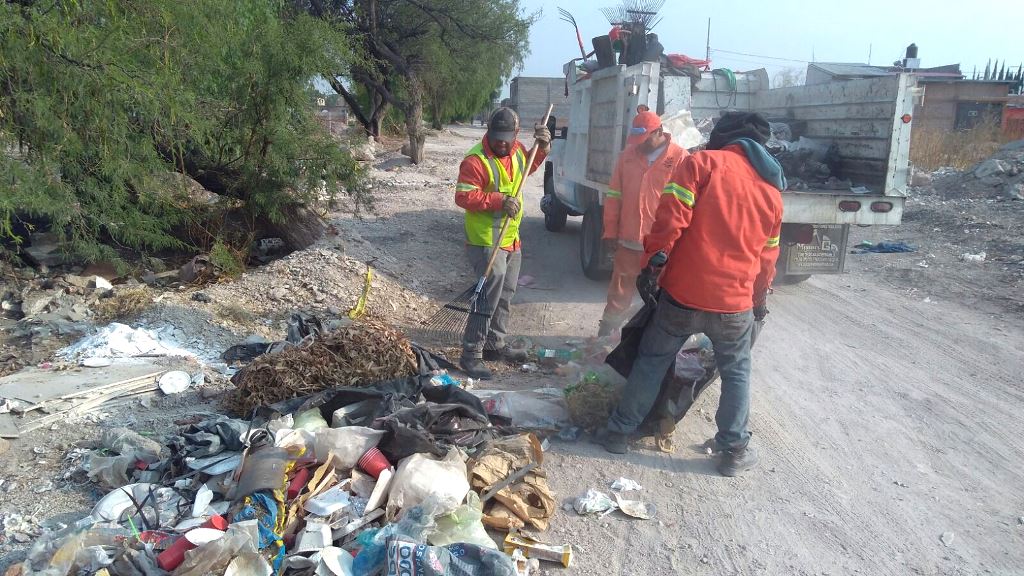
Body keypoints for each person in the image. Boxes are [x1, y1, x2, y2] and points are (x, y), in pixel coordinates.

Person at [601, 111, 786, 478]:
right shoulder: (772, 193)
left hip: (682, 295)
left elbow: (670, 220)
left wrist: (653, 264)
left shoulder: (702, 164)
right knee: (737, 373)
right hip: (735, 305)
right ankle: (733, 450)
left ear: (724, 138)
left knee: (652, 360)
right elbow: (768, 259)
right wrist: (760, 299)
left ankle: (620, 432)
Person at [455, 107, 551, 380]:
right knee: (487, 298)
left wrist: (542, 148)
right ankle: (471, 354)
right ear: (489, 132)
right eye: (496, 136)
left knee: (505, 295)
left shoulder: (519, 150)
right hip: (485, 241)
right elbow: (463, 196)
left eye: (506, 137)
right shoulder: (475, 160)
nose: (501, 142)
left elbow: (527, 167)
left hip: (510, 239)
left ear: (516, 134)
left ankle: (494, 344)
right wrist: (498, 200)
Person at [598, 109, 688, 337]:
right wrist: (610, 230)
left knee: (659, 295)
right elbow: (614, 196)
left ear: (659, 132)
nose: (639, 144)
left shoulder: (680, 158)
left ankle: (652, 340)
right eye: (636, 139)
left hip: (662, 247)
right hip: (628, 241)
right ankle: (606, 335)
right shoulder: (627, 156)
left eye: (645, 138)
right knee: (619, 294)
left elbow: (686, 205)